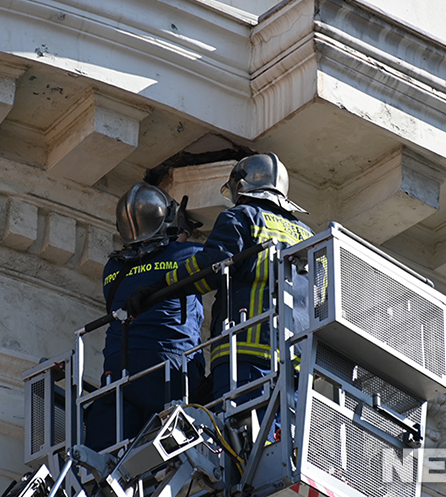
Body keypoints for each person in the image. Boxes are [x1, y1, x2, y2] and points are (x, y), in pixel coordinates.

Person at [127, 152, 313, 413]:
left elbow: (211, 268)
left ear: (240, 187)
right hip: (299, 360)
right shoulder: (308, 236)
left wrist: (160, 287)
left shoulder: (242, 216)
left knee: (242, 428)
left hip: (245, 352)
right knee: (282, 428)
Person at [84, 182, 205, 451]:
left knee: (113, 451)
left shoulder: (111, 269)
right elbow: (201, 259)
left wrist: (176, 236)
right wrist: (182, 234)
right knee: (172, 450)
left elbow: (150, 264)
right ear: (166, 218)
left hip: (119, 367)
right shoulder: (188, 254)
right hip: (169, 362)